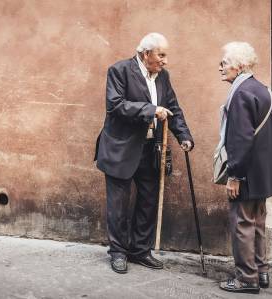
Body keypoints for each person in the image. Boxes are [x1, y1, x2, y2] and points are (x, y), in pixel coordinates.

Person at [94, 33, 194, 274]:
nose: (165, 61)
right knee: (118, 205)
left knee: (148, 202)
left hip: (151, 149)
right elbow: (116, 105)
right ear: (145, 53)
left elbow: (173, 108)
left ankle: (140, 250)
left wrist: (184, 136)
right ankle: (118, 252)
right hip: (120, 149)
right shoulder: (119, 71)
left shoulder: (163, 77)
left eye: (165, 55)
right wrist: (151, 110)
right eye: (161, 55)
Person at [217, 42, 272, 294]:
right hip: (263, 173)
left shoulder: (241, 92)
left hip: (246, 174)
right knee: (257, 223)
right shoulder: (262, 89)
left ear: (239, 65)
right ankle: (261, 271)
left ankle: (246, 279)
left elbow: (241, 139)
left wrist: (235, 175)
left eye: (224, 62)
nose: (220, 67)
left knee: (242, 223)